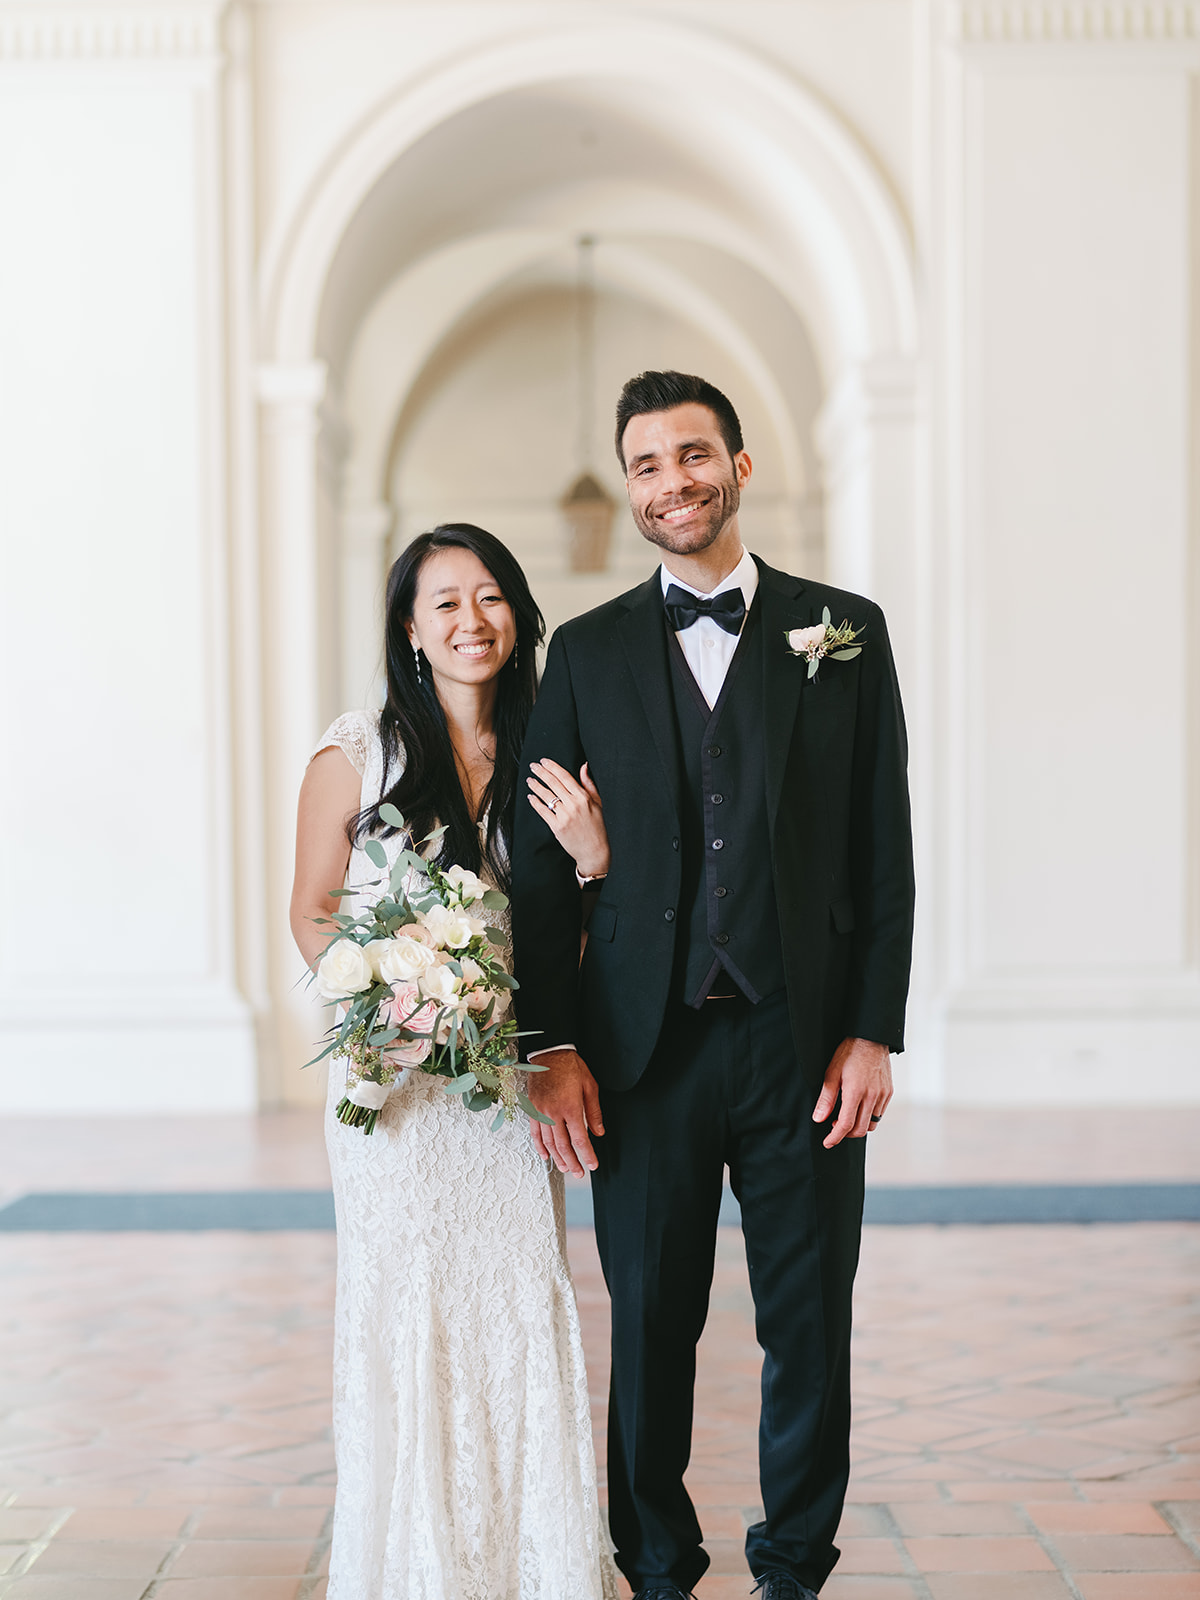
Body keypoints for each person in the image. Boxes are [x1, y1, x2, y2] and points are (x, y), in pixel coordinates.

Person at [511, 372, 915, 1600]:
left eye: (692, 454)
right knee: (651, 1327)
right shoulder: (579, 656)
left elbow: (881, 846)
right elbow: (537, 874)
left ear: (742, 465)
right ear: (628, 485)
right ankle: (657, 1559)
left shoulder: (843, 628)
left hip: (805, 1048)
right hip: (643, 1053)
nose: (669, 480)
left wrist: (872, 1031)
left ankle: (794, 1564)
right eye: (644, 463)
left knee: (808, 1327)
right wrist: (552, 1045)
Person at [290, 523, 619, 1600]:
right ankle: (420, 1568)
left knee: (520, 1299)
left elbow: (578, 943)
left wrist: (593, 860)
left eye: (490, 598)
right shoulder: (357, 752)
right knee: (411, 1307)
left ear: (517, 613)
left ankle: (535, 1563)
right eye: (446, 603)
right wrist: (390, 1001)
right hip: (398, 1086)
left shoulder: (554, 754)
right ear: (410, 627)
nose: (471, 621)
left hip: (506, 1081)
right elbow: (313, 912)